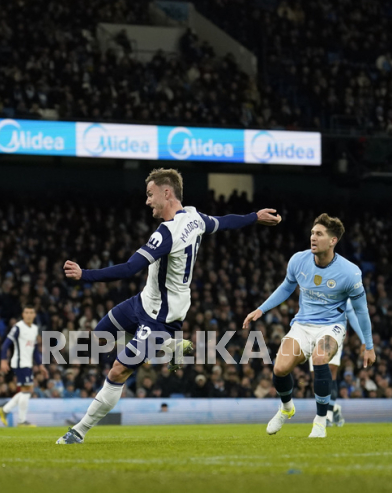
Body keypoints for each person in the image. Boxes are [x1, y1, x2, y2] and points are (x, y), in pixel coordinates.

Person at [56, 168, 282, 444]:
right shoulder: (195, 218)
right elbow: (223, 222)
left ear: (166, 192)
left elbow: (130, 268)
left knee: (118, 369)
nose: (147, 201)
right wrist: (254, 217)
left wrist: (85, 274)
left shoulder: (167, 232)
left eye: (150, 194)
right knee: (95, 340)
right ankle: (168, 347)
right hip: (142, 303)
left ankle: (78, 431)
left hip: (159, 317)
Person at [243, 213, 374, 438]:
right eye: (313, 232)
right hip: (302, 325)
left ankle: (320, 421)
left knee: (320, 358)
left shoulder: (349, 272)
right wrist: (261, 309)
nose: (313, 237)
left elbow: (361, 310)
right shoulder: (298, 260)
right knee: (280, 368)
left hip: (331, 326)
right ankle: (286, 408)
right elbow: (286, 287)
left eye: (319, 234)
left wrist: (368, 345)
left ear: (333, 241)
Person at [308, 298, 365, 427]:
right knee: (316, 377)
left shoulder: (342, 293)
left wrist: (363, 339)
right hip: (313, 336)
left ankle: (327, 415)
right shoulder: (312, 292)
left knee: (330, 371)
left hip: (334, 334)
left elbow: (352, 317)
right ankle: (334, 407)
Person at [0, 306, 47, 427]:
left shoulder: (34, 328)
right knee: (27, 391)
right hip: (20, 363)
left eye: (31, 312)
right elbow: (5, 344)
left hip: (27, 364)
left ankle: (4, 410)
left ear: (34, 315)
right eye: (26, 312)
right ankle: (21, 421)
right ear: (23, 314)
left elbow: (34, 349)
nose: (29, 315)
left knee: (27, 390)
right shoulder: (18, 327)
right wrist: (3, 360)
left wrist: (40, 365)